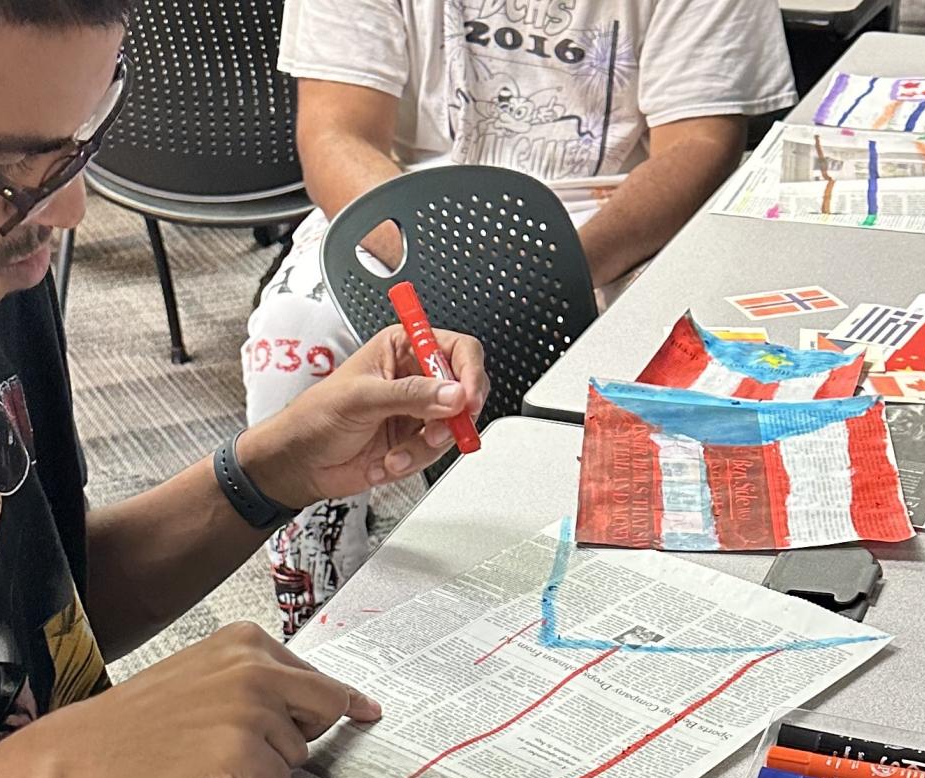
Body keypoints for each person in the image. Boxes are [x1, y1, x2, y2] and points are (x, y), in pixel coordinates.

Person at [0, 0, 488, 778]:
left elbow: (52, 594)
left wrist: (273, 470)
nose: (73, 211)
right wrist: (54, 767)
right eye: (22, 168)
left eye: (88, 138)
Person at [245, 0, 796, 634]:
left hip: (605, 224)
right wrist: (442, 271)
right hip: (400, 213)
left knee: (696, 386)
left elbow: (701, 143)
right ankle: (317, 609)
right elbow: (334, 135)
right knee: (294, 343)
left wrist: (539, 280)